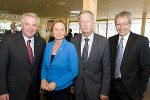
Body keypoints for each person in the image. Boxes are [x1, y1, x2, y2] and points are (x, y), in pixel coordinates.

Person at [0, 13, 46, 100]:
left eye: (34, 25)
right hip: (14, 91)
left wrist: (41, 82)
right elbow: (1, 68)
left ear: (37, 27)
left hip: (34, 91)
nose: (30, 28)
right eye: (27, 24)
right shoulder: (8, 41)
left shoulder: (42, 42)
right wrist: (2, 91)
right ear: (21, 25)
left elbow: (41, 65)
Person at [109, 11, 150, 100]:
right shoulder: (111, 40)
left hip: (131, 91)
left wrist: (140, 90)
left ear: (130, 24)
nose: (121, 27)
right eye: (118, 24)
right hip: (113, 89)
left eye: (124, 24)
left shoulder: (141, 41)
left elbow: (146, 68)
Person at [71, 10, 111, 100]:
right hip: (78, 88)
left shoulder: (103, 41)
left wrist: (104, 91)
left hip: (95, 89)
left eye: (88, 21)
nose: (85, 24)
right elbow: (71, 64)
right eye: (82, 21)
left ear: (93, 22)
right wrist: (71, 84)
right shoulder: (73, 41)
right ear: (79, 24)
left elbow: (107, 69)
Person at [41, 20, 78, 100]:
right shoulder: (48, 46)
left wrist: (56, 83)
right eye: (56, 29)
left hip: (62, 89)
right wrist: (43, 79)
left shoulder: (70, 47)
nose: (59, 32)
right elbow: (44, 66)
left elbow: (74, 71)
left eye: (62, 30)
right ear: (52, 31)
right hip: (48, 88)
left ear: (65, 32)